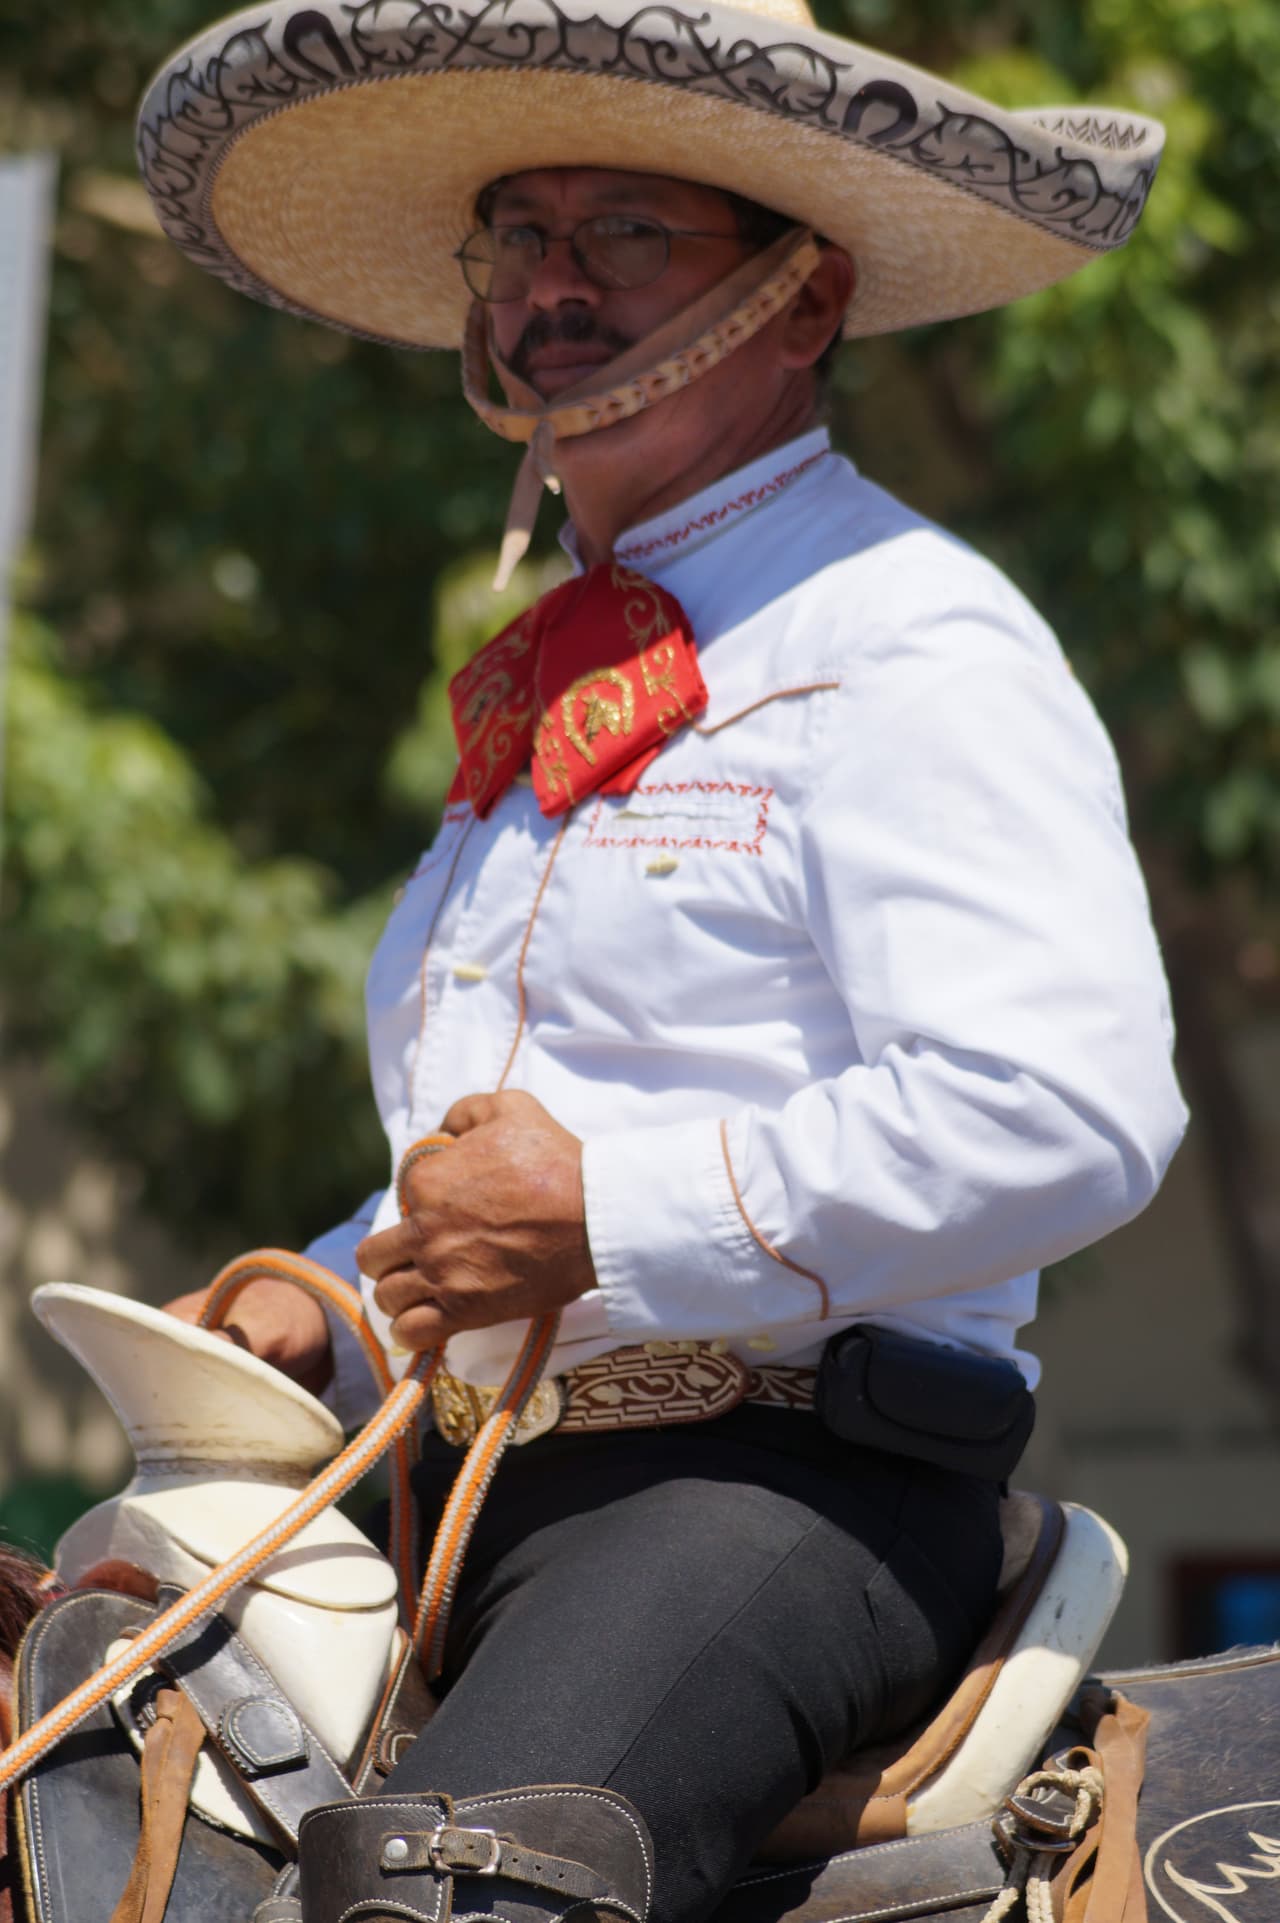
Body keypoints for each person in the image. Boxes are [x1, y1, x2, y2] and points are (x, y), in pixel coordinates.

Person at [143, 3, 1188, 1918]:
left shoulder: (912, 638)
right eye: (519, 234)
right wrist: (353, 1300)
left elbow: (1070, 1110)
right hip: (458, 1497)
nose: (553, 284)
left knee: (450, 1896)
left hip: (792, 1491)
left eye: (628, 231)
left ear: (804, 301)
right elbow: (524, 1148)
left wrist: (602, 1223)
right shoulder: (551, 680)